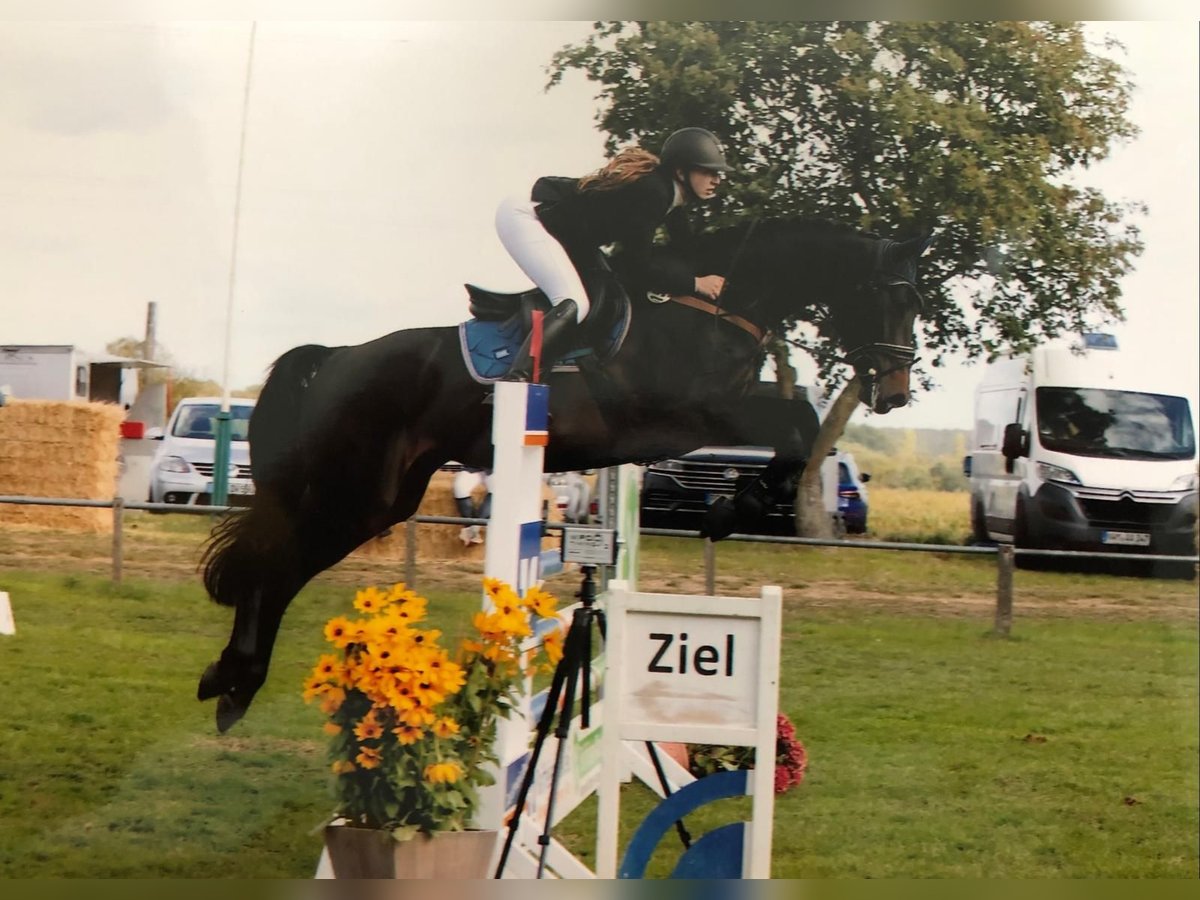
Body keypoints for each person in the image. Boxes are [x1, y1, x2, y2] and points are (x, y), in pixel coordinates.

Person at [493, 126, 733, 382]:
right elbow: (636, 265)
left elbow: (686, 252)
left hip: (565, 233)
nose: (716, 180)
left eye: (717, 173)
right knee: (574, 302)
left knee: (608, 288)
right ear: (680, 171)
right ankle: (518, 378)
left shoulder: (672, 199)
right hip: (528, 219)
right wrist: (695, 283)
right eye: (707, 171)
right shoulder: (654, 192)